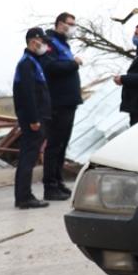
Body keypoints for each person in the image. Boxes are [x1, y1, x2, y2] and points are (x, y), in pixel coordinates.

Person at [38, 12, 83, 201]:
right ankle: (50, 185)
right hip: (57, 102)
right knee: (54, 145)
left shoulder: (64, 44)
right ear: (59, 24)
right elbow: (50, 68)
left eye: (74, 24)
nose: (72, 27)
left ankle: (58, 181)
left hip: (69, 102)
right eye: (69, 24)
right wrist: (73, 64)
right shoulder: (49, 43)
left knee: (63, 144)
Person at [13, 28, 52, 209]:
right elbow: (28, 94)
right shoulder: (26, 64)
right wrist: (34, 119)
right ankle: (24, 197)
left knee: (29, 156)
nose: (44, 45)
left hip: (37, 117)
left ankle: (23, 195)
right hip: (32, 120)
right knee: (28, 157)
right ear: (32, 41)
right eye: (41, 41)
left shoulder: (34, 62)